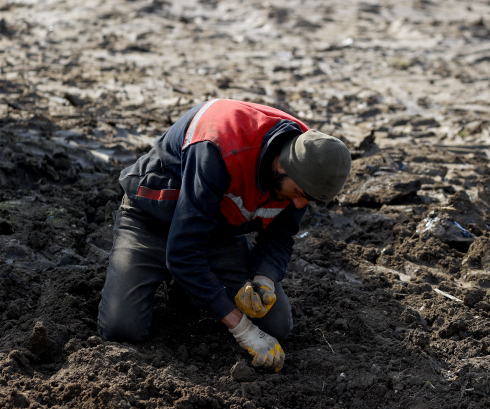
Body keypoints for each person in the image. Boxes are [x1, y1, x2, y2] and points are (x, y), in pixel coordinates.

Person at [97, 99, 351, 372]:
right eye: (300, 195)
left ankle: (189, 287)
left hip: (218, 231)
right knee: (122, 328)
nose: (300, 206)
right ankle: (186, 281)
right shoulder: (219, 145)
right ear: (281, 166)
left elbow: (280, 237)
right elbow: (183, 252)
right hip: (151, 218)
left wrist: (264, 278)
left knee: (276, 324)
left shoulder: (310, 163)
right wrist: (244, 331)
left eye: (309, 200)